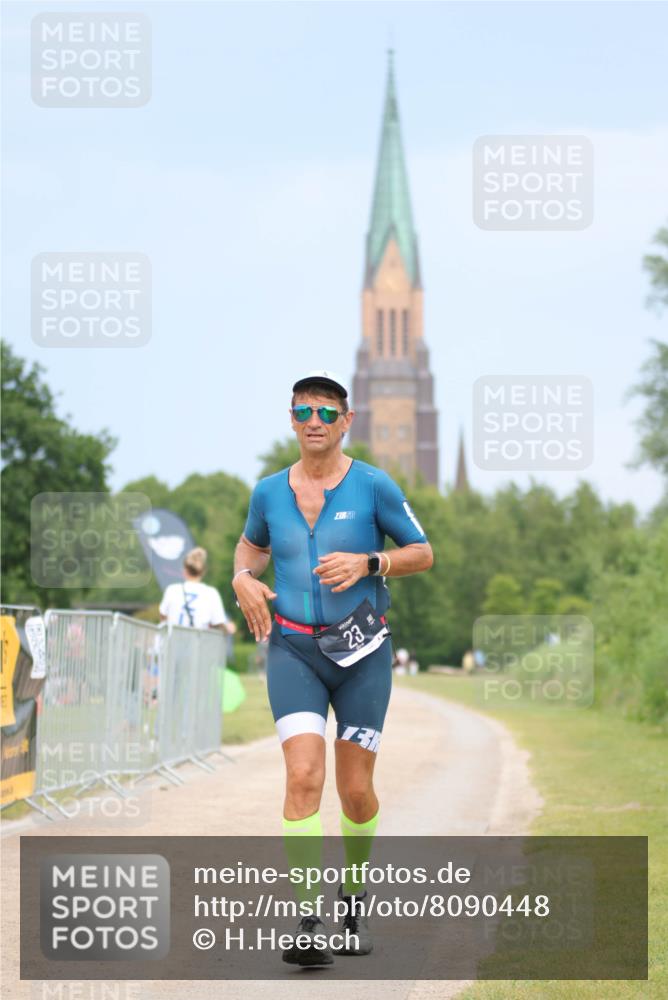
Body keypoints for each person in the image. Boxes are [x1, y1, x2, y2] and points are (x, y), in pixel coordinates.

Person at [232, 369, 433, 967]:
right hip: (293, 650)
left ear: (346, 422)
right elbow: (252, 548)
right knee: (302, 777)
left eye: (326, 414)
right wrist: (242, 576)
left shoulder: (374, 486)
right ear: (290, 420)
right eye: (303, 413)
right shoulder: (269, 492)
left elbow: (423, 552)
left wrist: (372, 562)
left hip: (363, 655)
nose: (313, 423)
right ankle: (309, 922)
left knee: (355, 790)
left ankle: (353, 900)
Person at [160, 546, 236, 634]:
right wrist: (229, 628)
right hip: (197, 645)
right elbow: (219, 623)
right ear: (203, 571)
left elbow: (163, 616)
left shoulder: (172, 590)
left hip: (172, 644)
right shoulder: (211, 593)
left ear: (184, 570)